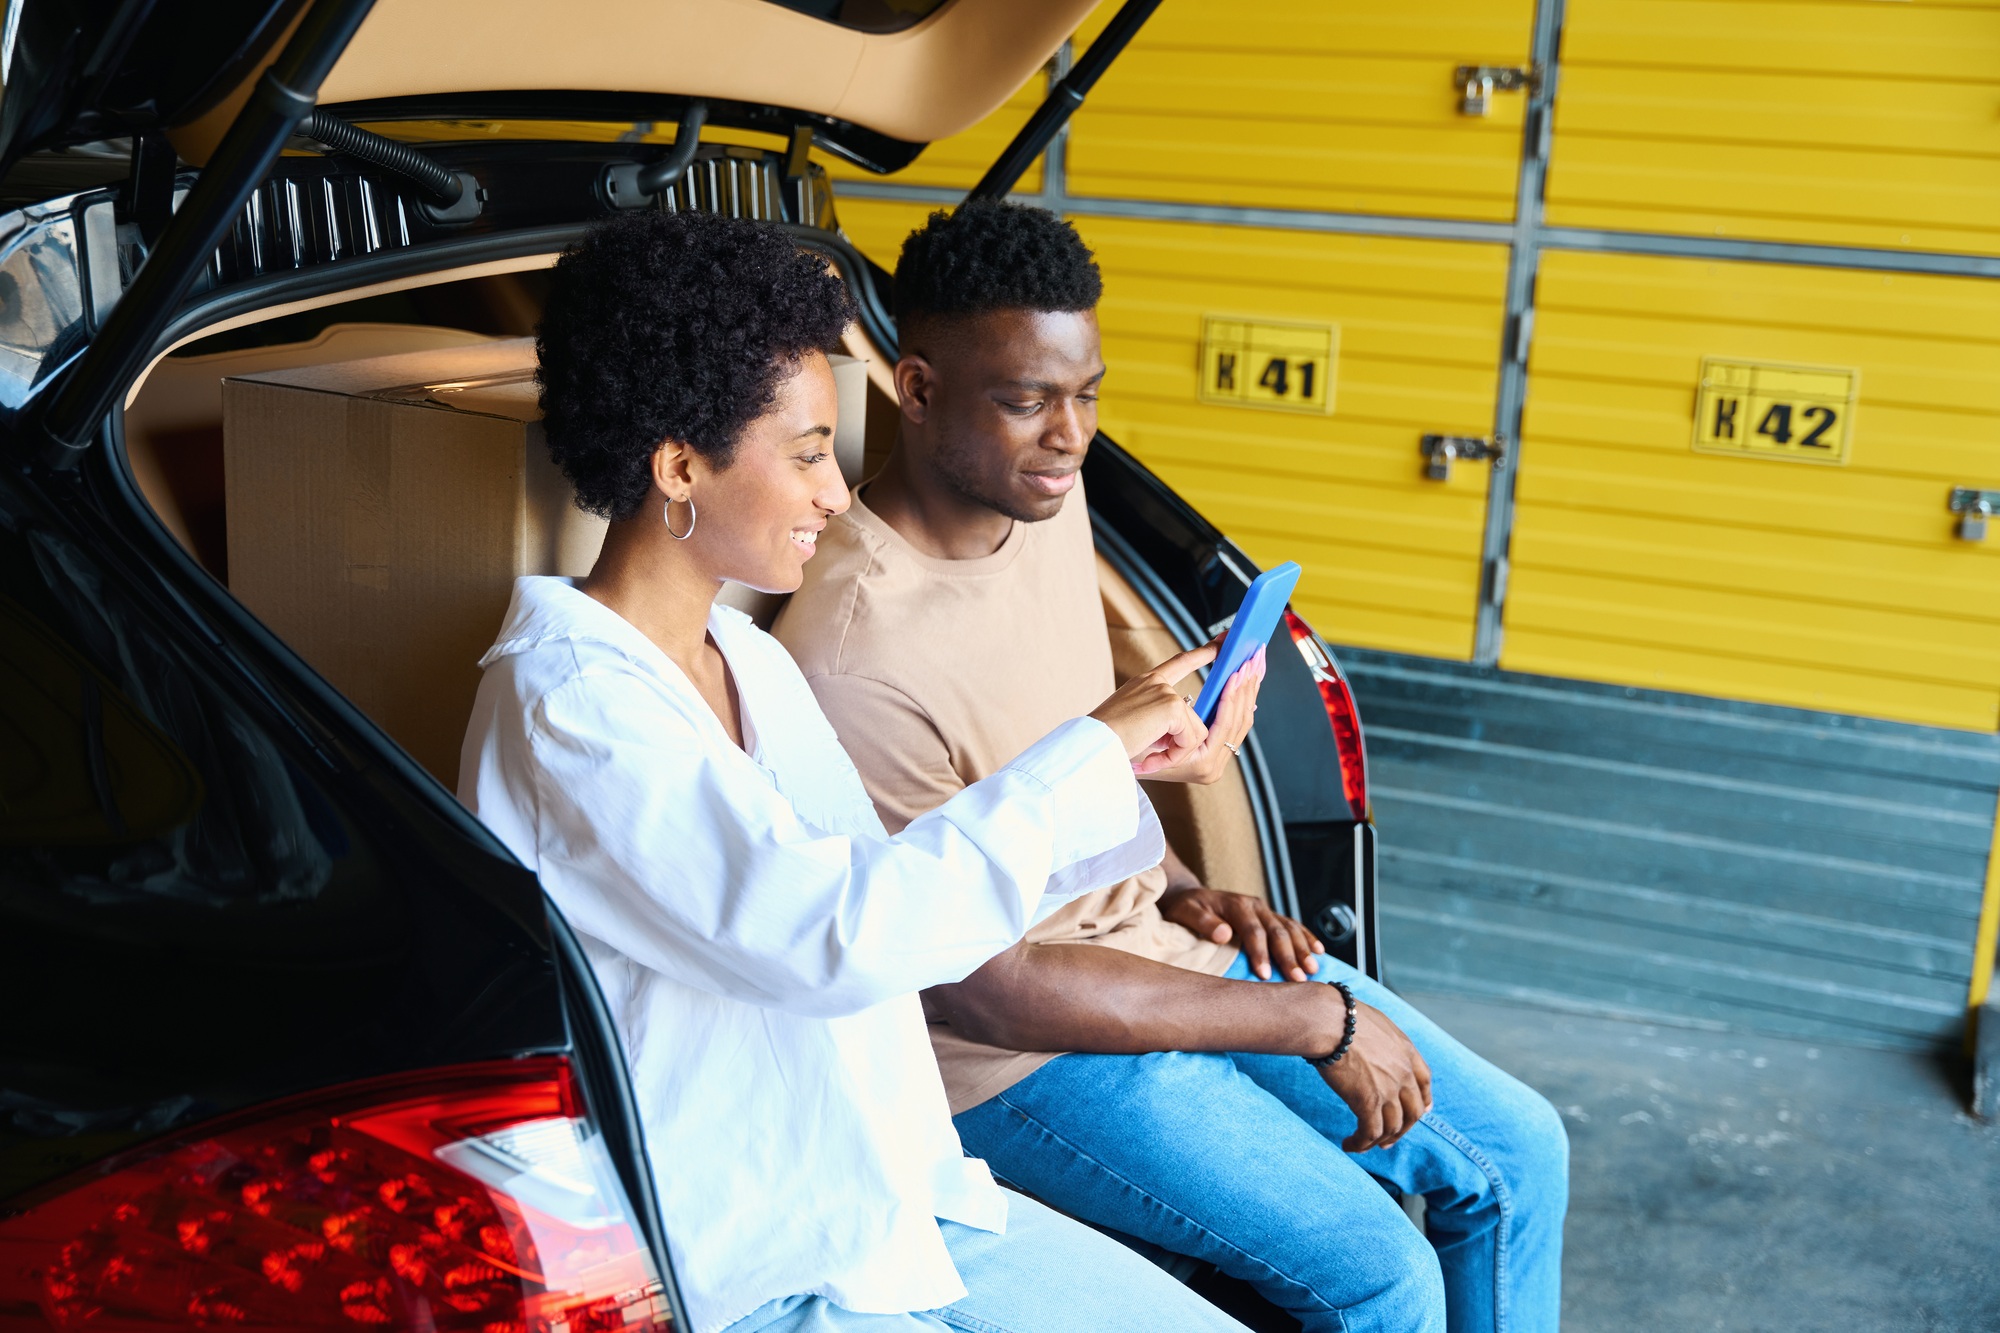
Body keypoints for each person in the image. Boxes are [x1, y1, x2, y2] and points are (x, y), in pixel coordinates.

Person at [773, 200, 1570, 1333]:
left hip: (1143, 943)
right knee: (1381, 1272)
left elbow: (1058, 763)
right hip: (1009, 1055)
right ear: (917, 387)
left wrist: (1182, 888)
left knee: (1520, 1151)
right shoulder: (856, 653)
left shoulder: (1044, 499)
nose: (1070, 435)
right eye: (1027, 400)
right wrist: (1311, 1019)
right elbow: (977, 985)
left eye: (1087, 393)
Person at [458, 211, 1261, 1333]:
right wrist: (1091, 748)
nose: (837, 494)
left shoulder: (740, 654)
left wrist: (1133, 761)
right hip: (753, 1249)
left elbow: (910, 888)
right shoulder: (574, 708)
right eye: (805, 456)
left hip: (889, 1192)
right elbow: (837, 934)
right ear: (679, 466)